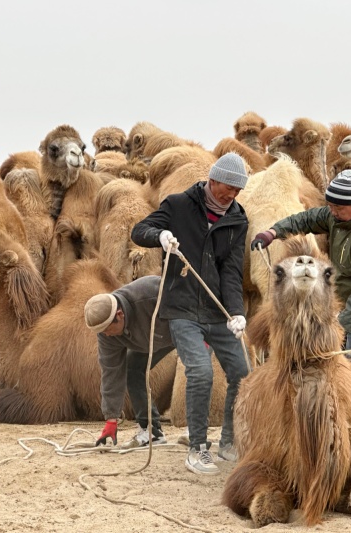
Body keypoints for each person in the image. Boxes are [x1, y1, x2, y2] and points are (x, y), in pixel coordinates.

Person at [251, 169, 351, 471]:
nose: (333, 212)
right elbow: (305, 219)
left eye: (339, 207)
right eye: (331, 206)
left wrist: (339, 324)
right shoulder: (338, 216)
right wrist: (274, 232)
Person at [131, 152, 250, 475]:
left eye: (237, 191)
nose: (232, 195)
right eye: (228, 188)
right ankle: (198, 448)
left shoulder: (237, 219)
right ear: (213, 181)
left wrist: (236, 312)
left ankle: (229, 440)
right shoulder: (178, 205)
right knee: (200, 372)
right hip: (181, 309)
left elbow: (231, 271)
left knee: (242, 371)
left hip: (217, 312)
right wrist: (160, 235)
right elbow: (139, 231)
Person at [85, 275, 176, 448]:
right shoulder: (106, 334)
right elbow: (111, 372)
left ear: (119, 315)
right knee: (133, 370)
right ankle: (151, 432)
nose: (106, 336)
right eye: (101, 332)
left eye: (107, 330)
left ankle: (196, 434)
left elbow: (188, 297)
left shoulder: (150, 293)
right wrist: (111, 419)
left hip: (186, 325)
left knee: (196, 368)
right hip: (155, 337)